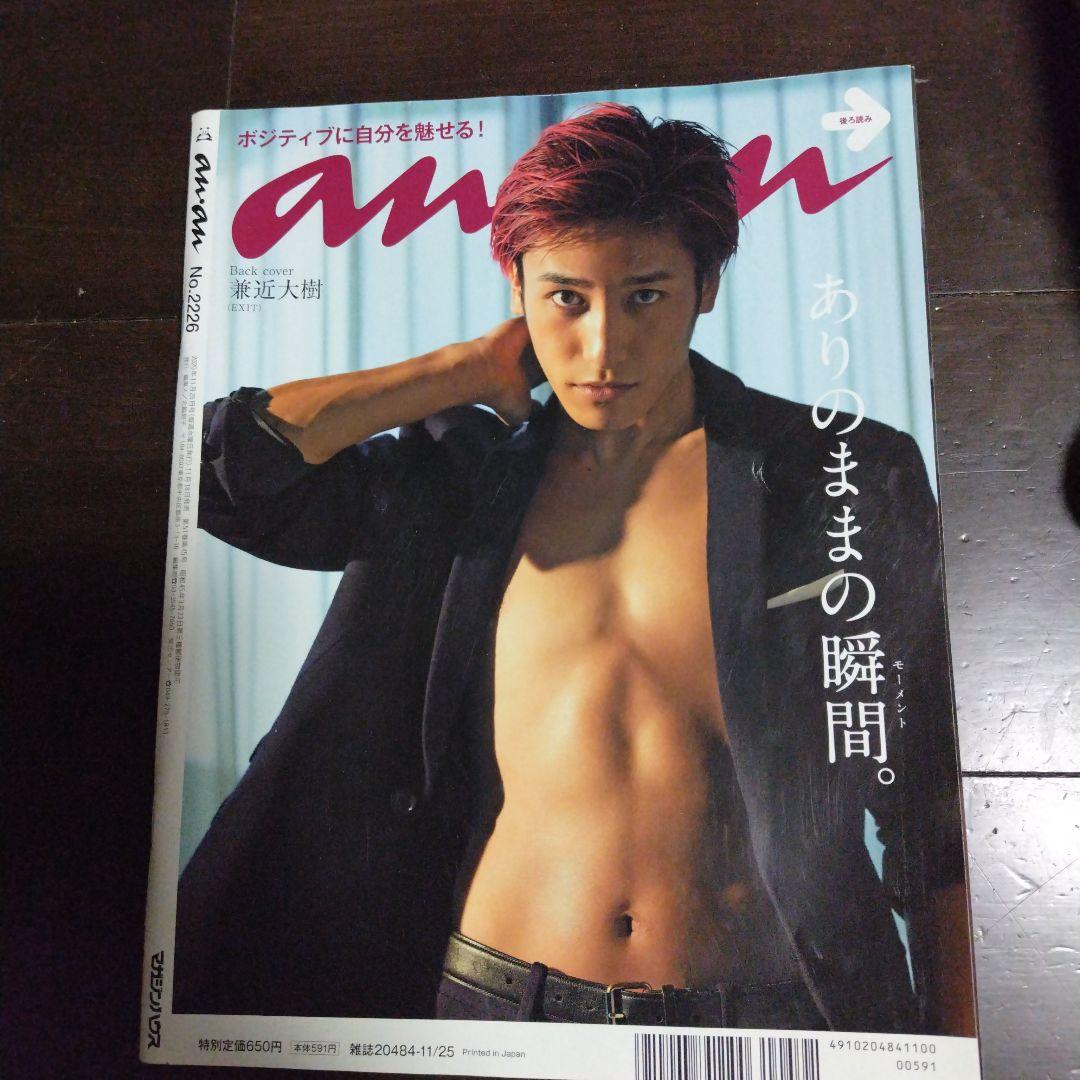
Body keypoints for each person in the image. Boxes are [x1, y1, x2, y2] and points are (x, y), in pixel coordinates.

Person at [175, 104, 974, 1034]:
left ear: (707, 286)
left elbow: (933, 806)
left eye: (644, 296)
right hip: (492, 1006)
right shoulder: (455, 476)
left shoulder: (841, 469)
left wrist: (954, 1052)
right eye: (566, 298)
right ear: (515, 285)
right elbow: (221, 475)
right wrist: (461, 369)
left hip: (768, 1015)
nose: (603, 349)